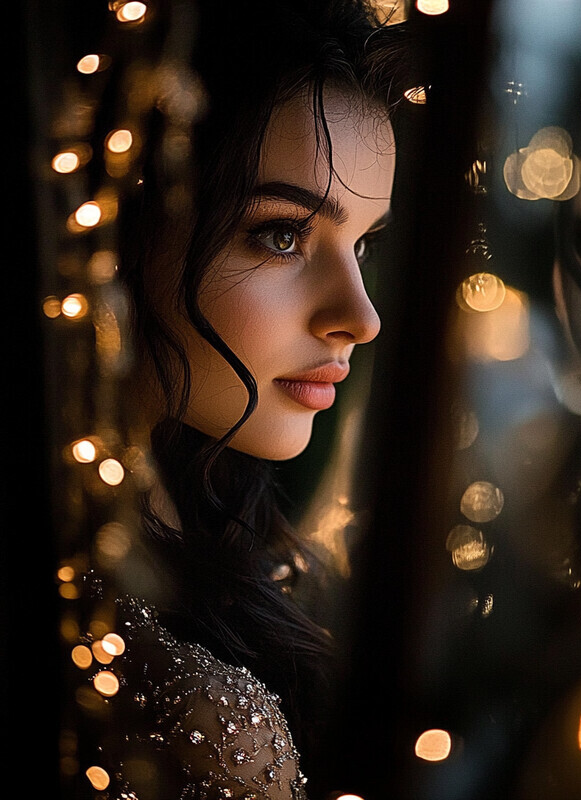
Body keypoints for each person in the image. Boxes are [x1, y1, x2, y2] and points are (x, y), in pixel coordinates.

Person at [98, 1, 409, 797]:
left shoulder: (203, 541)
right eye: (282, 234)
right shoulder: (197, 724)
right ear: (121, 230)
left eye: (363, 243)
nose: (361, 317)